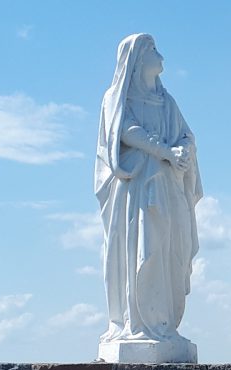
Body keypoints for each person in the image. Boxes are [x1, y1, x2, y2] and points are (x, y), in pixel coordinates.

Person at [94, 33, 202, 352]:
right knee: (143, 248)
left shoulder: (167, 101)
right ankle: (137, 322)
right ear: (138, 59)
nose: (161, 55)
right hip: (138, 191)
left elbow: (186, 134)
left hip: (167, 190)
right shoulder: (116, 98)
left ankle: (164, 322)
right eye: (154, 49)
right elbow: (126, 132)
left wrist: (182, 151)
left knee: (170, 249)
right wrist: (166, 153)